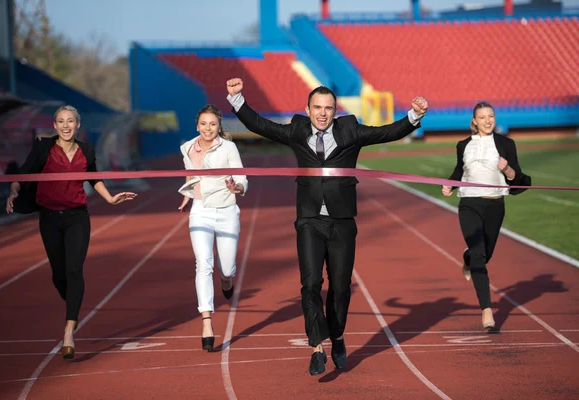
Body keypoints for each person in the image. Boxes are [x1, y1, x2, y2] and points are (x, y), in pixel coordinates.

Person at [226, 78, 428, 375]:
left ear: (335, 111)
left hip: (342, 221)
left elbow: (386, 132)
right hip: (309, 220)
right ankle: (317, 346)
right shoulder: (296, 129)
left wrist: (414, 116)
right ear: (307, 109)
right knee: (310, 284)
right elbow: (261, 125)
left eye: (328, 108)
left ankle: (338, 335)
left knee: (341, 287)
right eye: (317, 107)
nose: (322, 113)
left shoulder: (350, 130)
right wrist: (237, 98)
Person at [6, 105, 137, 360]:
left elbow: (93, 177)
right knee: (59, 274)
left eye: (71, 121)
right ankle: (74, 304)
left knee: (74, 270)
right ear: (55, 126)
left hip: (78, 217)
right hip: (49, 218)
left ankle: (69, 331)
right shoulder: (43, 147)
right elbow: (22, 173)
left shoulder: (86, 150)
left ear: (78, 125)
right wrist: (14, 191)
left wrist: (110, 198)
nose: (66, 126)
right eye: (61, 121)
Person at [441, 101, 530, 329]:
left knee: (484, 254)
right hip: (469, 204)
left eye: (490, 116)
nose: (487, 120)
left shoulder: (506, 144)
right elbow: (459, 171)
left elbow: (517, 176)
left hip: (495, 206)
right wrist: (449, 184)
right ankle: (487, 311)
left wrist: (508, 170)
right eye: (482, 117)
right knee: (481, 255)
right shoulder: (463, 145)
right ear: (474, 121)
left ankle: (468, 258)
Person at [178, 104, 248, 352]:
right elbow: (190, 174)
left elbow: (241, 177)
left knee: (226, 267)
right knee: (203, 264)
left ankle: (227, 280)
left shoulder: (228, 147)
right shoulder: (187, 148)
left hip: (227, 209)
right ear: (198, 126)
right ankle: (206, 322)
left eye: (213, 124)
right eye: (204, 124)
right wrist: (187, 195)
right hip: (201, 211)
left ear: (219, 127)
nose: (208, 128)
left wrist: (237, 188)